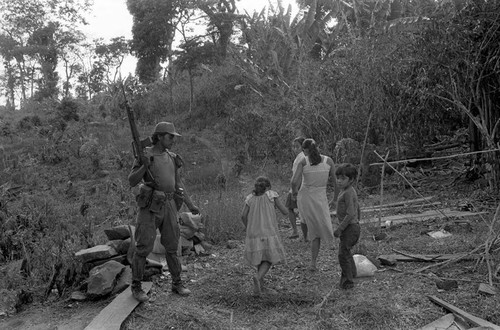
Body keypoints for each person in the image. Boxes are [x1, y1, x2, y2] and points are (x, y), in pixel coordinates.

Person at [128, 121, 199, 302]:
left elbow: (178, 184)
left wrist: (190, 205)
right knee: (143, 246)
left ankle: (177, 283)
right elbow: (132, 180)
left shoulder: (172, 157)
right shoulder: (145, 155)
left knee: (172, 246)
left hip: (169, 204)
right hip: (150, 206)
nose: (173, 140)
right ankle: (136, 286)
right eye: (170, 136)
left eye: (174, 137)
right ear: (159, 137)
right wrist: (145, 165)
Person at [291, 139, 337, 272]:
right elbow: (335, 181)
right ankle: (327, 242)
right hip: (320, 195)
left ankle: (313, 262)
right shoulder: (328, 161)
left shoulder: (303, 161)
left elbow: (294, 182)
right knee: (322, 220)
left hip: (306, 195)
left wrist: (294, 193)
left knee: (310, 225)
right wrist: (334, 198)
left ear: (305, 150)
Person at [241, 176, 288, 296]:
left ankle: (260, 287)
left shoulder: (250, 198)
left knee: (259, 258)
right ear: (267, 187)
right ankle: (258, 277)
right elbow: (284, 211)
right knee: (268, 259)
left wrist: (248, 227)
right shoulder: (271, 195)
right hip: (268, 232)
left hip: (253, 233)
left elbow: (243, 216)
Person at [334, 163, 361, 290]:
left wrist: (340, 228)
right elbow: (358, 207)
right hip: (350, 227)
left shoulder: (349, 192)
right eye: (338, 178)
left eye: (343, 178)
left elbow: (351, 213)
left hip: (350, 228)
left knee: (343, 254)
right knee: (346, 252)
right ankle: (352, 274)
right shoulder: (345, 191)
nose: (339, 181)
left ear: (351, 180)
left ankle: (348, 282)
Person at [285, 137, 306, 240]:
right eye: (294, 147)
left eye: (297, 146)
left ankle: (296, 231)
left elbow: (298, 176)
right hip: (299, 186)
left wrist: (295, 190)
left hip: (297, 187)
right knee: (297, 209)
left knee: (291, 208)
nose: (295, 149)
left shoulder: (301, 158)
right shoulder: (300, 157)